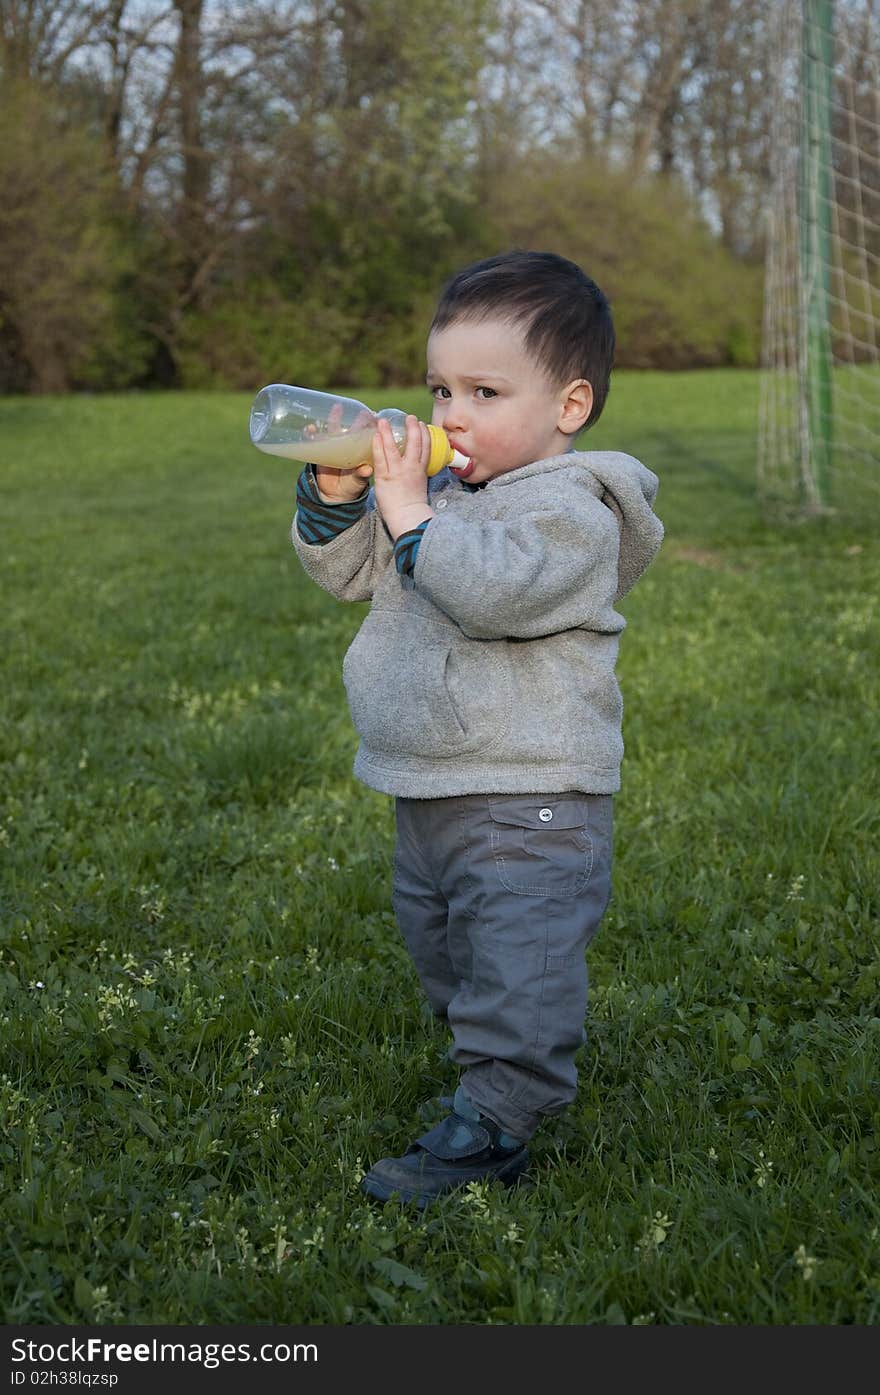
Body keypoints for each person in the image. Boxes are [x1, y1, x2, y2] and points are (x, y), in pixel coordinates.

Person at [291, 250, 664, 1206]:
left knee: (515, 964)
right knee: (446, 949)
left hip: (532, 792)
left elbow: (493, 589)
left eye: (485, 390)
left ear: (568, 407)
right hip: (433, 781)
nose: (449, 414)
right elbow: (355, 574)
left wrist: (413, 511)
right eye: (439, 387)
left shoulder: (575, 507)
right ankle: (489, 1075)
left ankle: (498, 1122)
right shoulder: (444, 499)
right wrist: (343, 504)